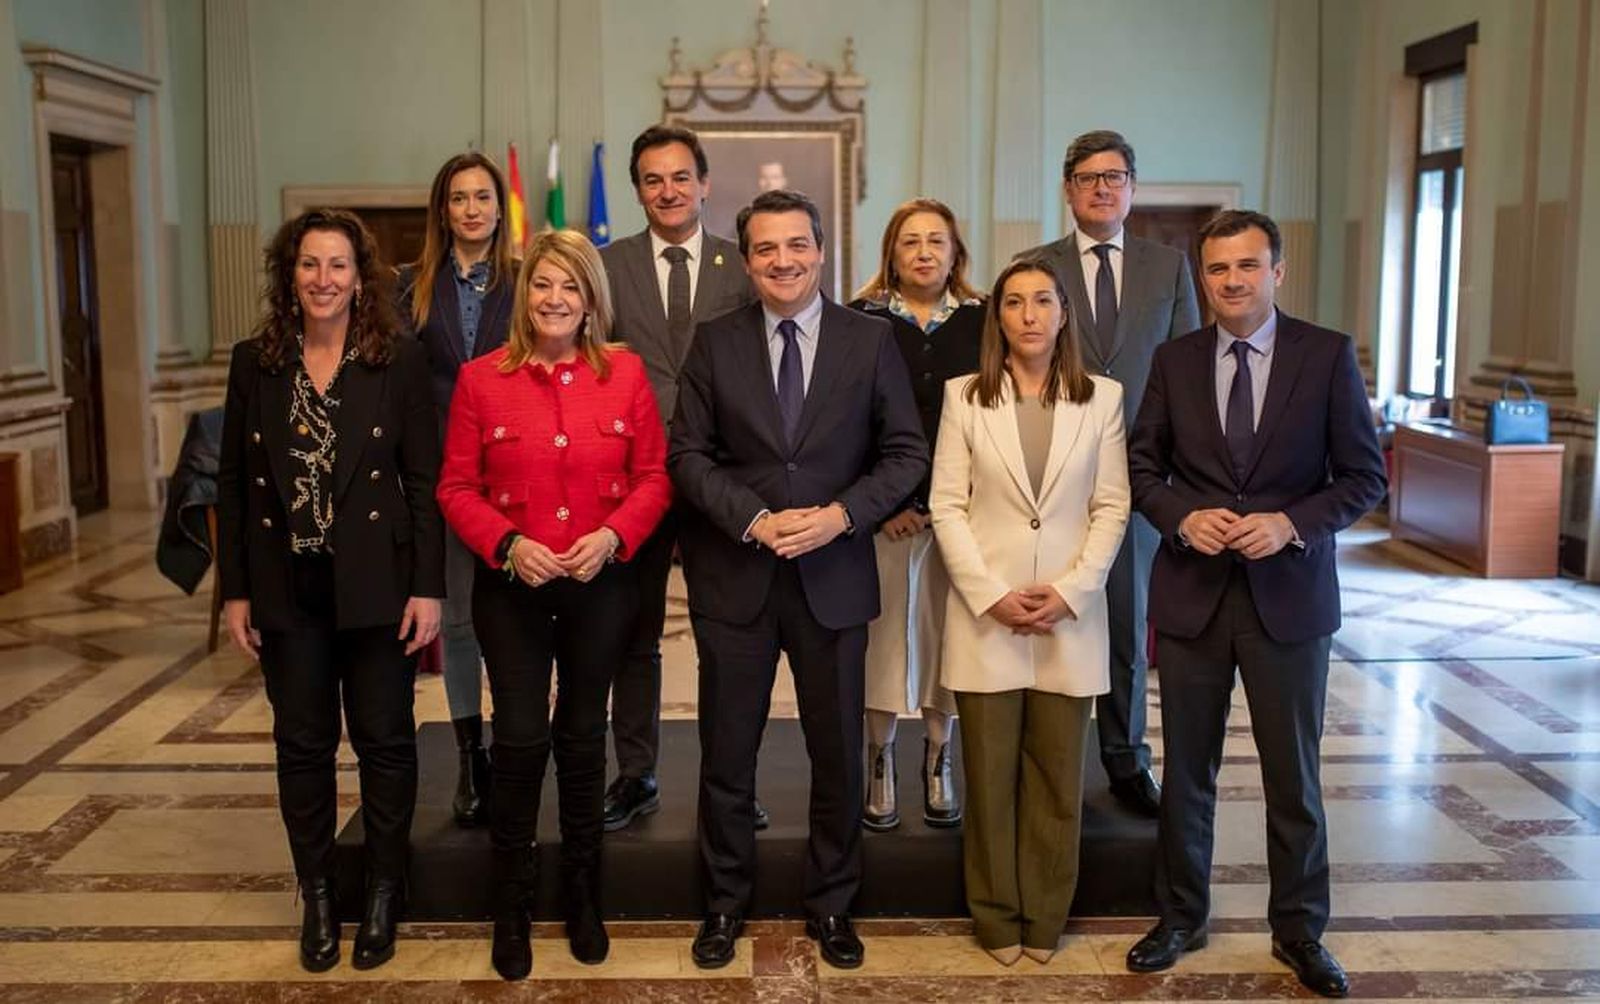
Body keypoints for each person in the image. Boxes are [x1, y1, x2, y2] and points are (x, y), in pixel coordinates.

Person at [1124, 210, 1385, 998]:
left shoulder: (1327, 355)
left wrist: (1291, 523)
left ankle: (1300, 931)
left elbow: (1364, 477)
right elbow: (1141, 468)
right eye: (1216, 269)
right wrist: (1181, 517)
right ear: (1201, 277)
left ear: (1278, 270)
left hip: (1290, 599)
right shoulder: (1174, 361)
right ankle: (1180, 917)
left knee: (1292, 778)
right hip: (1195, 595)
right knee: (1185, 774)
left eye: (1247, 266)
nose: (1231, 281)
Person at [668, 189, 927, 971]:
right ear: (746, 260)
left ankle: (834, 906)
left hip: (834, 575)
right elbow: (687, 455)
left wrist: (841, 517)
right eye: (766, 249)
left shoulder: (869, 340)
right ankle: (721, 906)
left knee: (837, 751)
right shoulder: (714, 341)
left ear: (822, 251)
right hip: (736, 577)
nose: (782, 261)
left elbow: (907, 455)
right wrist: (753, 519)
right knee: (727, 752)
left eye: (796, 246)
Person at [436, 229, 670, 981]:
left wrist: (611, 537)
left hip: (600, 586)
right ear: (524, 295)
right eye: (544, 285)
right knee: (521, 741)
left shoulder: (625, 374)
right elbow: (455, 489)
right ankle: (511, 907)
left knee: (580, 740)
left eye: (571, 286)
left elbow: (655, 478)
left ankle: (583, 898)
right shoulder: (482, 379)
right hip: (513, 591)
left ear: (591, 297)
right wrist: (506, 544)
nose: (556, 300)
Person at [217, 208, 443, 973]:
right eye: (309, 265)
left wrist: (429, 589)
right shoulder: (256, 361)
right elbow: (234, 490)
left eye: (338, 266)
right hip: (288, 587)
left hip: (378, 585)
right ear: (290, 275)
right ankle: (316, 893)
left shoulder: (398, 360)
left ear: (360, 277)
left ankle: (384, 889)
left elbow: (422, 482)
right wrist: (235, 592)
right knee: (303, 746)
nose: (323, 280)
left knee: (385, 742)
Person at [929, 257, 1129, 965]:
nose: (1029, 315)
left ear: (1063, 311)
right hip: (988, 614)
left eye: (1043, 300)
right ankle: (995, 918)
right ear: (999, 317)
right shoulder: (965, 396)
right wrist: (990, 593)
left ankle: (1045, 919)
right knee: (987, 780)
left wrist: (1072, 591)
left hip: (1068, 617)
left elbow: (1112, 506)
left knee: (1056, 780)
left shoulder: (1102, 398)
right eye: (1013, 302)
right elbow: (946, 505)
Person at [1019, 129, 1200, 817]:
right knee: (1043, 615)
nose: (1102, 187)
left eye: (1115, 176)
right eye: (1089, 177)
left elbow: (1187, 370)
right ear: (1067, 189)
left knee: (1126, 621)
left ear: (1132, 187)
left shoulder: (1169, 267)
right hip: (1047, 476)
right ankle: (1041, 757)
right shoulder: (1034, 266)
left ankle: (1126, 757)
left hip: (1139, 475)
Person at [598, 125, 755, 832]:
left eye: (680, 177)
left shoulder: (740, 264)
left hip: (721, 479)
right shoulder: (606, 266)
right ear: (638, 190)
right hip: (631, 481)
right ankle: (636, 774)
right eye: (653, 180)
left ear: (704, 183)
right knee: (634, 636)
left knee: (728, 637)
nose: (669, 190)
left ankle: (734, 781)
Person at [848, 198, 984, 830]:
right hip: (885, 515)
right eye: (911, 241)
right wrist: (889, 504)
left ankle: (939, 754)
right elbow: (844, 426)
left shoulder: (986, 322)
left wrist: (946, 505)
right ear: (891, 253)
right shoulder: (859, 320)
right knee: (883, 640)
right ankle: (879, 756)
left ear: (956, 250)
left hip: (965, 515)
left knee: (947, 638)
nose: (925, 251)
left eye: (937, 239)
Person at [396, 150, 517, 828]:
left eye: (482, 196)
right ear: (443, 210)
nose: (472, 208)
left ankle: (519, 740)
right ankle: (474, 754)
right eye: (458, 197)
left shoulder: (529, 282)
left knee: (521, 623)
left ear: (500, 208)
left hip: (519, 476)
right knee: (464, 620)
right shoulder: (409, 286)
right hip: (447, 477)